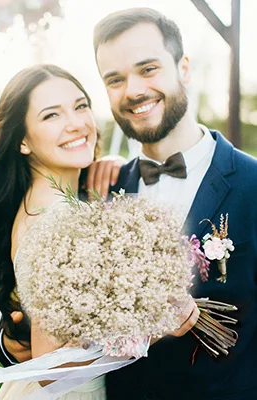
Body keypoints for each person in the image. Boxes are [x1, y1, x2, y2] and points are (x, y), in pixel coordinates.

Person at [0, 62, 198, 399]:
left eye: (80, 106)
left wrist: (117, 166)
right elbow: (51, 371)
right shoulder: (56, 224)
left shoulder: (50, 201)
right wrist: (153, 322)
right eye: (51, 116)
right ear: (23, 141)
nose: (76, 124)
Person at [91, 7, 257, 400]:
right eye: (115, 79)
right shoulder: (99, 192)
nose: (133, 91)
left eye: (148, 69)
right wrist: (13, 344)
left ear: (183, 68)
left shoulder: (253, 185)